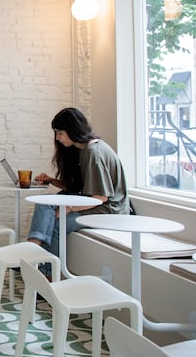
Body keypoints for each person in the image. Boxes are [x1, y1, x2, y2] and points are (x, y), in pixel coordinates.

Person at [27, 107, 130, 266]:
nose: (57, 138)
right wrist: (51, 180)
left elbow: (100, 198)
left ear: (72, 130)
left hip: (108, 210)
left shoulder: (94, 152)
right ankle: (32, 251)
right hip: (91, 203)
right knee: (44, 203)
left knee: (57, 224)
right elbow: (78, 187)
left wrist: (68, 208)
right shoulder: (82, 150)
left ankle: (47, 272)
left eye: (60, 133)